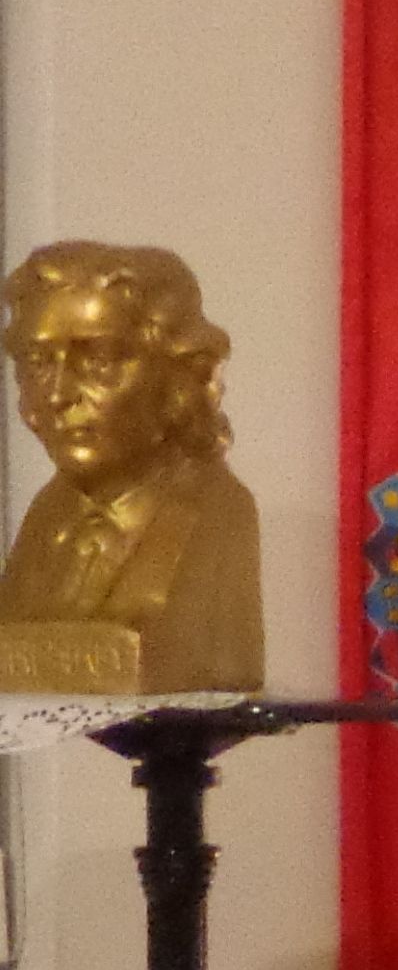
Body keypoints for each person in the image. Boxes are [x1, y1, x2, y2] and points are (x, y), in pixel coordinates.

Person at [0, 241, 266, 695]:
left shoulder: (217, 514)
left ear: (177, 373)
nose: (59, 395)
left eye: (99, 361)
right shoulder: (45, 516)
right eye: (39, 362)